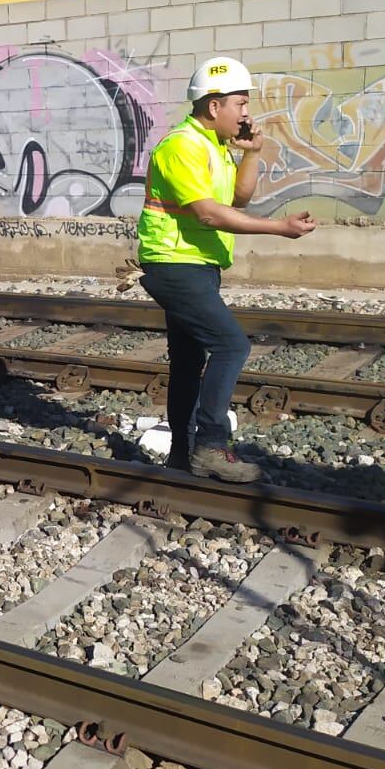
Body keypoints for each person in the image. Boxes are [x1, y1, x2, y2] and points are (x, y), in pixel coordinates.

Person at [137, 56, 316, 482]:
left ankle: (181, 453)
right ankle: (212, 447)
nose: (246, 113)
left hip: (195, 265)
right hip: (174, 263)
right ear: (214, 106)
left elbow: (238, 198)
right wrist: (279, 229)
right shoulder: (182, 145)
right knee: (232, 346)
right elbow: (209, 215)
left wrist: (253, 152)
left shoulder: (213, 145)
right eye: (240, 103)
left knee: (187, 361)